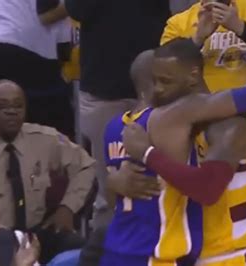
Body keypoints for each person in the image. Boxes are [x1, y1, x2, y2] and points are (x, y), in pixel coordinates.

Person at [100, 39, 246, 265]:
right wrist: (115, 182)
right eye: (154, 81)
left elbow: (208, 189)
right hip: (191, 256)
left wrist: (148, 155)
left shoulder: (230, 126)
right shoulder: (168, 127)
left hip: (235, 255)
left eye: (165, 81)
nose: (158, 90)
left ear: (192, 77)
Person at [0, 80, 95, 263]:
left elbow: (86, 166)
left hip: (35, 232)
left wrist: (68, 207)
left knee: (83, 250)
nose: (12, 111)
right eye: (3, 106)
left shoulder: (45, 139)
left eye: (18, 105)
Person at [64, 0, 171, 247]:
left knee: (160, 184)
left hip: (157, 88)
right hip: (104, 92)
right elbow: (77, 10)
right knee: (108, 189)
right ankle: (103, 254)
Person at [161, 0, 246, 174]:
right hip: (205, 140)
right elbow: (166, 74)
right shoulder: (179, 22)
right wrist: (198, 39)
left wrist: (239, 27)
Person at [0, 0, 73, 137]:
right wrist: (78, 6)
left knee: (2, 122)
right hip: (23, 47)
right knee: (56, 124)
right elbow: (46, 15)